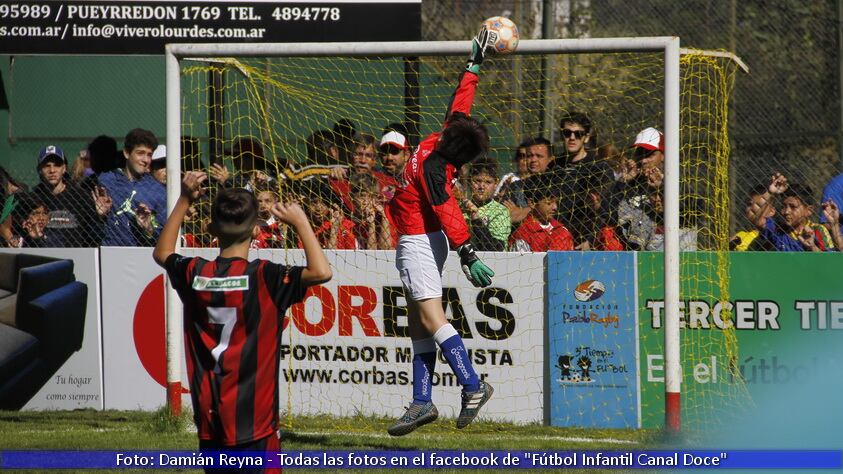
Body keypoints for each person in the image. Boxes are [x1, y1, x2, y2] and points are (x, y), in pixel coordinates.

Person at [153, 172, 331, 472]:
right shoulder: (265, 276)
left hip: (210, 419)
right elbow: (321, 272)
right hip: (255, 424)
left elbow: (163, 252)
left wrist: (184, 199)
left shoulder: (195, 272)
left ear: (210, 228)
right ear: (255, 231)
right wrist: (301, 222)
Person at [386, 27, 496, 436]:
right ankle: (421, 401)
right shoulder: (447, 139)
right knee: (418, 322)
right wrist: (474, 65)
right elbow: (460, 104)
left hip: (419, 239)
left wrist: (467, 250)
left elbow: (446, 207)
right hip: (421, 239)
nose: (448, 123)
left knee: (431, 318)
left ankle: (472, 383)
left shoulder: (436, 166)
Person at [548, 112, 614, 249]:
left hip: (584, 241)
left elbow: (605, 210)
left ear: (586, 137)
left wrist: (591, 239)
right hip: (555, 237)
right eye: (567, 133)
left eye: (578, 134)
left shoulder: (599, 168)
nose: (572, 138)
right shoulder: (554, 166)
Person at [99, 128, 167, 246]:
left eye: (149, 155)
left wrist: (149, 229)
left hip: (140, 256)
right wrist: (99, 216)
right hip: (108, 253)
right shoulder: (106, 181)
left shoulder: (158, 191)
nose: (145, 160)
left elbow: (166, 236)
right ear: (126, 153)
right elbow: (88, 229)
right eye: (140, 153)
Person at [30, 145, 105, 247]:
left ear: (64, 168)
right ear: (40, 169)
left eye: (57, 165)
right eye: (47, 165)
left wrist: (100, 216)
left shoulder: (80, 196)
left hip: (75, 256)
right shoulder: (33, 199)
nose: (52, 170)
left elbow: (96, 235)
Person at [752, 173, 834, 251]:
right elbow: (760, 221)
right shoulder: (778, 230)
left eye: (793, 207)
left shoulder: (817, 230)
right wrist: (771, 193)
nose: (787, 211)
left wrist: (812, 246)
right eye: (783, 206)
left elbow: (829, 262)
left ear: (809, 210)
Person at [509, 173, 574, 251]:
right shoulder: (523, 235)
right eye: (549, 203)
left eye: (556, 202)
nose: (555, 207)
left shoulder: (562, 230)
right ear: (532, 203)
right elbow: (520, 262)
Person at [461, 159, 511, 251]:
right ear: (469, 181)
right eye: (477, 181)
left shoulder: (500, 211)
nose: (481, 187)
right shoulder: (460, 209)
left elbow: (496, 248)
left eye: (488, 182)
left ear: (496, 184)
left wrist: (476, 219)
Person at [350, 173, 395, 249]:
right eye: (362, 196)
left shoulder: (383, 221)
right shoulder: (348, 223)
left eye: (372, 196)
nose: (366, 201)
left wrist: (382, 218)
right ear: (352, 197)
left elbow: (386, 250)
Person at [730, 184, 776, 251]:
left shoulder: (775, 234)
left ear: (771, 211)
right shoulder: (740, 236)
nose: (752, 209)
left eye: (759, 205)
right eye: (749, 204)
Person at [496, 141, 531, 225]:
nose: (525, 160)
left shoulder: (538, 179)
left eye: (528, 156)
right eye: (522, 156)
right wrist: (504, 190)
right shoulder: (508, 177)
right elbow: (496, 200)